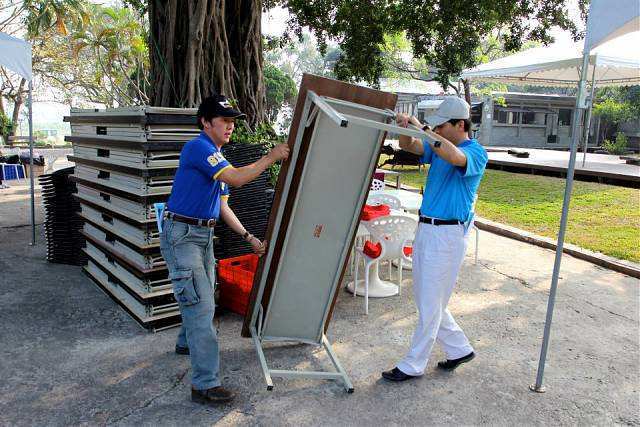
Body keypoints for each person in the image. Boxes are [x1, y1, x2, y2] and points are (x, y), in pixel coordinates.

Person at [160, 94, 290, 404]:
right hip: (183, 236)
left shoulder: (218, 156)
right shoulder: (199, 148)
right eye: (224, 121)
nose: (230, 126)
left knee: (201, 296)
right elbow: (238, 178)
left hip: (202, 236)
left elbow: (222, 207)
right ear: (206, 122)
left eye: (232, 121)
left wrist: (249, 237)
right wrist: (272, 156)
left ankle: (185, 343)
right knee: (202, 306)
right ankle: (204, 384)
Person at [381, 96, 488, 382]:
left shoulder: (475, 152)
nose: (438, 130)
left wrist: (424, 128)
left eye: (442, 126)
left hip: (448, 235)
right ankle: (459, 349)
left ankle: (413, 364)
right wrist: (406, 128)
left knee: (430, 303)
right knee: (427, 299)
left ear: (460, 124)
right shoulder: (438, 145)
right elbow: (411, 146)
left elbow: (455, 157)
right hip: (428, 229)